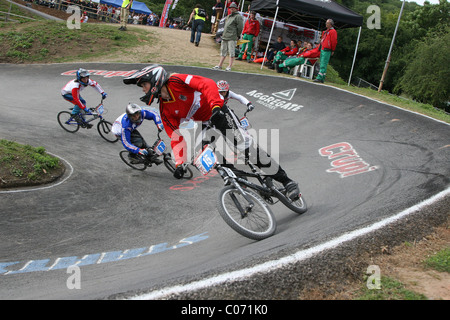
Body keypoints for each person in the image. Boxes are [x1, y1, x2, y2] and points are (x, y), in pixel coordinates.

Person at [123, 65, 301, 200]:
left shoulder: (176, 80)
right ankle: (241, 183)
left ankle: (287, 181)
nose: (143, 90)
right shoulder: (164, 109)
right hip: (204, 125)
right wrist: (179, 163)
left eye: (144, 85)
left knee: (246, 148)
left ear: (154, 80)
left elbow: (205, 83)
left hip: (218, 112)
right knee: (212, 158)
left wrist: (216, 104)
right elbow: (175, 137)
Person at [212, 2, 244, 72]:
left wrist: (237, 35)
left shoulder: (238, 17)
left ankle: (229, 66)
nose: (231, 9)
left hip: (232, 36)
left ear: (236, 9)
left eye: (233, 8)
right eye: (230, 8)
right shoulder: (229, 16)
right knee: (223, 51)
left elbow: (240, 27)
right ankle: (220, 65)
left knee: (231, 52)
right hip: (225, 36)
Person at [314, 19, 338, 83]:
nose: (326, 24)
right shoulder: (326, 31)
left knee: (323, 64)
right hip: (323, 48)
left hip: (327, 49)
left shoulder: (333, 31)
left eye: (327, 23)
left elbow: (334, 41)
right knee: (322, 63)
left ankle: (319, 77)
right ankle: (322, 78)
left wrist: (333, 50)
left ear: (330, 24)